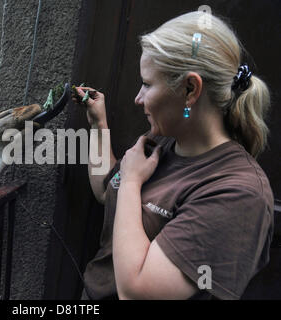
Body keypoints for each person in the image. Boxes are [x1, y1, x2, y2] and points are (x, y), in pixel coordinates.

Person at [73, 11, 274, 300]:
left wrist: (130, 182)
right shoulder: (164, 141)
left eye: (147, 84)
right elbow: (108, 191)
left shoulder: (238, 194)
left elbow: (136, 291)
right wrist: (98, 124)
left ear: (190, 89)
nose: (138, 98)